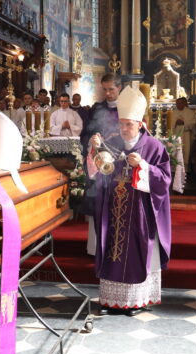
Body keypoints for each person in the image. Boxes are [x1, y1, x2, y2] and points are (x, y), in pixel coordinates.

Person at [89, 86, 172, 317]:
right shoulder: (113, 142)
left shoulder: (154, 147)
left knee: (137, 253)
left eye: (129, 124)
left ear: (140, 123)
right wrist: (95, 150)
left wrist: (143, 167)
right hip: (114, 211)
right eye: (121, 123)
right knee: (111, 249)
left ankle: (136, 301)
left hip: (140, 213)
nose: (124, 129)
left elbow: (164, 180)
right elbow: (100, 171)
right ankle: (110, 300)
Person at [80, 73, 122, 257]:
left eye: (111, 89)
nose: (108, 93)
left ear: (119, 88)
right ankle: (95, 247)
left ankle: (116, 247)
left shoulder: (127, 107)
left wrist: (117, 138)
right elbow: (86, 132)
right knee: (97, 199)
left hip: (120, 161)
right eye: (105, 89)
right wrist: (92, 139)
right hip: (99, 161)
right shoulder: (97, 108)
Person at [170, 97, 196, 174]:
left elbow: (194, 123)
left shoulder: (190, 112)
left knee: (186, 152)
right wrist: (175, 123)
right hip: (175, 135)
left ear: (184, 104)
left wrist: (183, 123)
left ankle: (185, 169)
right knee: (175, 151)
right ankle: (174, 169)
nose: (178, 105)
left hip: (186, 136)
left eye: (180, 103)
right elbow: (169, 124)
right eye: (177, 103)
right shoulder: (172, 112)